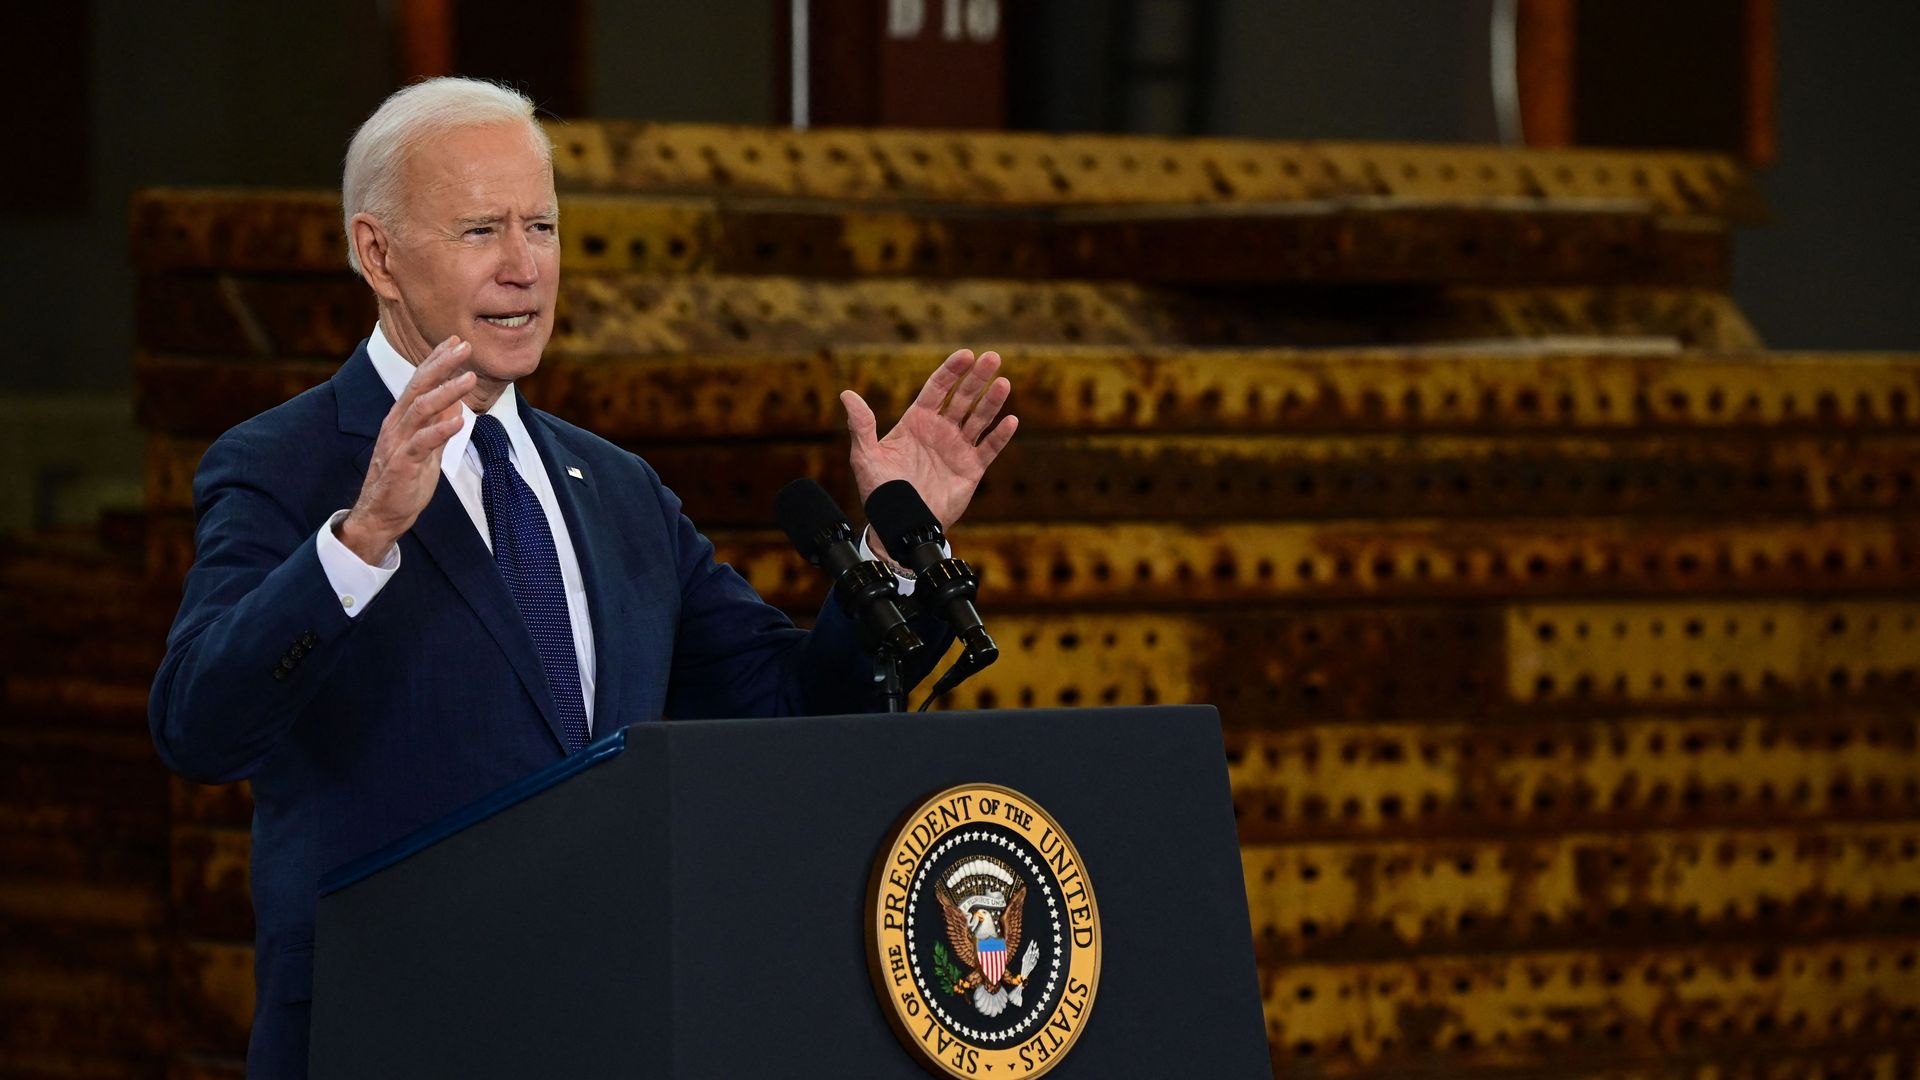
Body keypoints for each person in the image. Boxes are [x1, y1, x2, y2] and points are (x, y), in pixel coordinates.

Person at [147, 77, 1017, 1077]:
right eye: (482, 230)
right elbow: (200, 726)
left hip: (612, 1027)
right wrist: (362, 536)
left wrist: (895, 554)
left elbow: (788, 705)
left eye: (543, 227)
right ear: (377, 254)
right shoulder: (284, 465)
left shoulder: (617, 489)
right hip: (391, 1034)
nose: (524, 268)